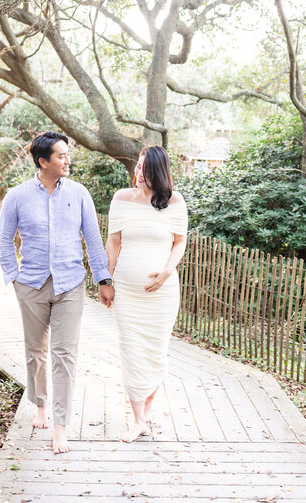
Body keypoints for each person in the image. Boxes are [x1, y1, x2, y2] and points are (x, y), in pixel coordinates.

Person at [0, 131, 114, 454]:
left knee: (64, 354)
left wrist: (103, 280)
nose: (68, 160)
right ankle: (41, 406)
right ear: (43, 161)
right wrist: (14, 279)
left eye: (67, 154)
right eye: (61, 156)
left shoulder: (79, 194)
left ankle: (60, 427)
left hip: (70, 285)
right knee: (36, 351)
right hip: (31, 284)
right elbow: (5, 240)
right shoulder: (17, 196)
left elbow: (92, 238)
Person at [106, 145, 188, 443]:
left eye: (146, 169)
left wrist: (167, 270)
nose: (139, 173)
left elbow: (180, 242)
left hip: (163, 295)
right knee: (131, 351)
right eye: (138, 167)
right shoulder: (121, 199)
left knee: (155, 353)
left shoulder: (174, 202)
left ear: (160, 172)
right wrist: (105, 280)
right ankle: (138, 419)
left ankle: (147, 406)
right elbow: (113, 242)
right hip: (127, 293)